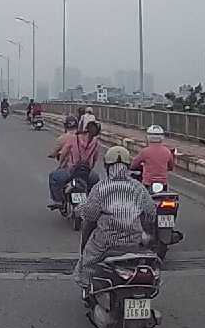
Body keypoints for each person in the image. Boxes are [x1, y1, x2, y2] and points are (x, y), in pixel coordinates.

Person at [74, 145, 158, 291]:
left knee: (88, 261)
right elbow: (151, 212)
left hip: (105, 243)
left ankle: (88, 286)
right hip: (134, 241)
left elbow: (90, 216)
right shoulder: (138, 188)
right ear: (127, 166)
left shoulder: (101, 188)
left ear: (107, 167)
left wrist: (79, 211)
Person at [49, 120, 101, 205]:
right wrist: (89, 169)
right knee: (95, 182)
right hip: (86, 173)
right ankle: (91, 201)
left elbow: (64, 152)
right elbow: (95, 159)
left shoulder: (74, 138)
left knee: (53, 177)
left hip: (71, 171)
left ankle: (58, 201)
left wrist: (61, 165)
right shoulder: (96, 143)